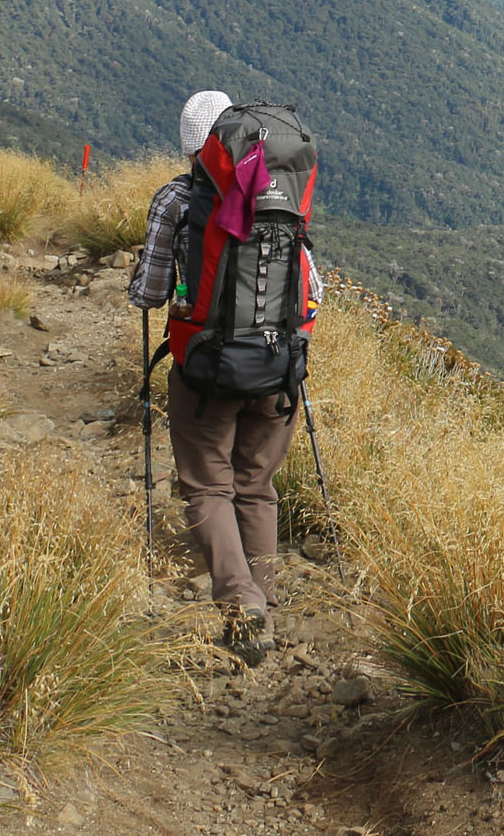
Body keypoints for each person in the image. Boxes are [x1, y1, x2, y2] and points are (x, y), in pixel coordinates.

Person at [128, 88, 314, 666]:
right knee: (256, 484)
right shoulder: (279, 195)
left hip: (207, 368)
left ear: (195, 146)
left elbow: (150, 292)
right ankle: (266, 597)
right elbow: (315, 292)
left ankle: (242, 604)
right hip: (278, 366)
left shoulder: (176, 200)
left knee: (209, 484)